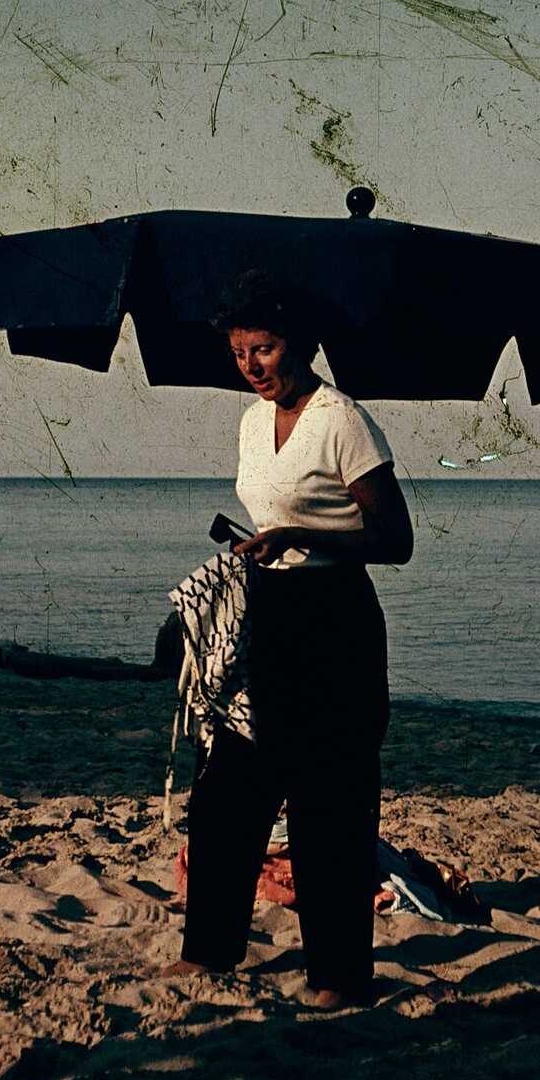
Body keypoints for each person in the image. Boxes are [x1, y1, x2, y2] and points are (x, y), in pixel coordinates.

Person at [162, 270, 413, 1009]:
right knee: (228, 791)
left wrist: (304, 535)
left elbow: (395, 540)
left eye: (264, 350)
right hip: (266, 614)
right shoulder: (250, 422)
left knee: (327, 802)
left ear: (299, 345)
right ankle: (209, 950)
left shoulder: (343, 420)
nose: (250, 366)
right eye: (238, 352)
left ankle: (340, 977)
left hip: (336, 621)